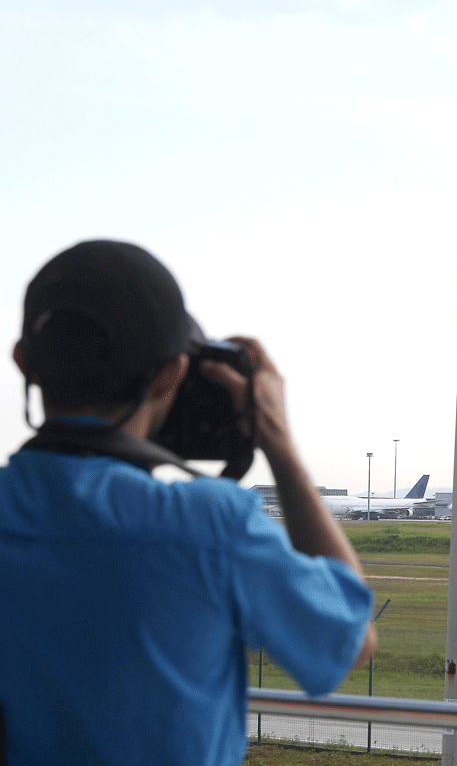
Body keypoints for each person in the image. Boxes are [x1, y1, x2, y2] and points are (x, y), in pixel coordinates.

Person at [0, 240, 377, 765]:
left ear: (23, 363)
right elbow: (349, 640)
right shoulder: (212, 522)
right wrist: (279, 447)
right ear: (172, 375)